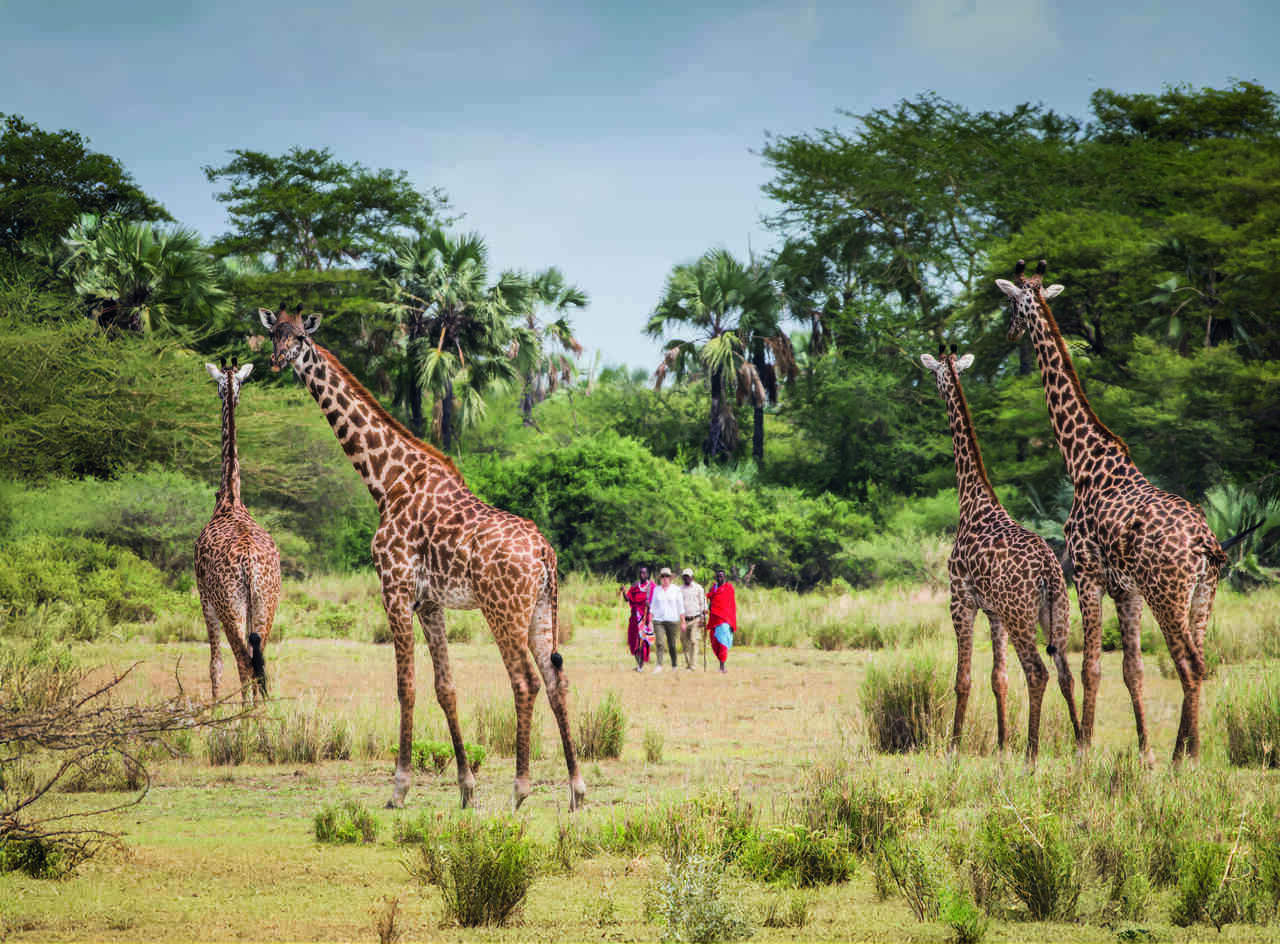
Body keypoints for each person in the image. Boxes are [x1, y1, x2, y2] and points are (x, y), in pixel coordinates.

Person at [648, 567, 686, 674]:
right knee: (659, 643)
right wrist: (650, 621)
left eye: (667, 576)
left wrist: (683, 621)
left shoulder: (676, 590)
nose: (665, 578)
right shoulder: (656, 590)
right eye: (663, 576)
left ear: (670, 578)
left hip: (672, 620)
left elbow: (680, 607)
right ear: (660, 578)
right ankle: (659, 665)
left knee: (672, 644)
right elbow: (652, 606)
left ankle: (674, 664)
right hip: (659, 620)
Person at [621, 566, 655, 672]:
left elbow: (656, 601)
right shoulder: (635, 586)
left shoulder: (652, 586)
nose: (642, 575)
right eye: (640, 573)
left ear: (648, 574)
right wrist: (623, 591)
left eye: (644, 573)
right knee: (633, 641)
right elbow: (627, 599)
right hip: (634, 618)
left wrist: (650, 605)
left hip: (645, 618)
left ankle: (640, 666)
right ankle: (638, 664)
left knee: (642, 642)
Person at [706, 568, 737, 673]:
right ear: (716, 577)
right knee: (715, 643)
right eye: (718, 576)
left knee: (722, 643)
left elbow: (732, 605)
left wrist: (732, 622)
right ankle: (720, 664)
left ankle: (722, 666)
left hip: (725, 620)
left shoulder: (729, 588)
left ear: (725, 577)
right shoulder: (714, 588)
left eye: (721, 576)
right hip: (714, 619)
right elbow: (710, 603)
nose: (719, 577)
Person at [678, 568, 706, 670]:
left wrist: (704, 617)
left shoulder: (698, 588)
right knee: (684, 641)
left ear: (692, 577)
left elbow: (703, 604)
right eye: (685, 576)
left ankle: (693, 665)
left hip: (695, 618)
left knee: (694, 641)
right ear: (682, 577)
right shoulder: (679, 589)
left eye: (688, 576)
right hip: (684, 620)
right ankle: (688, 664)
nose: (687, 578)